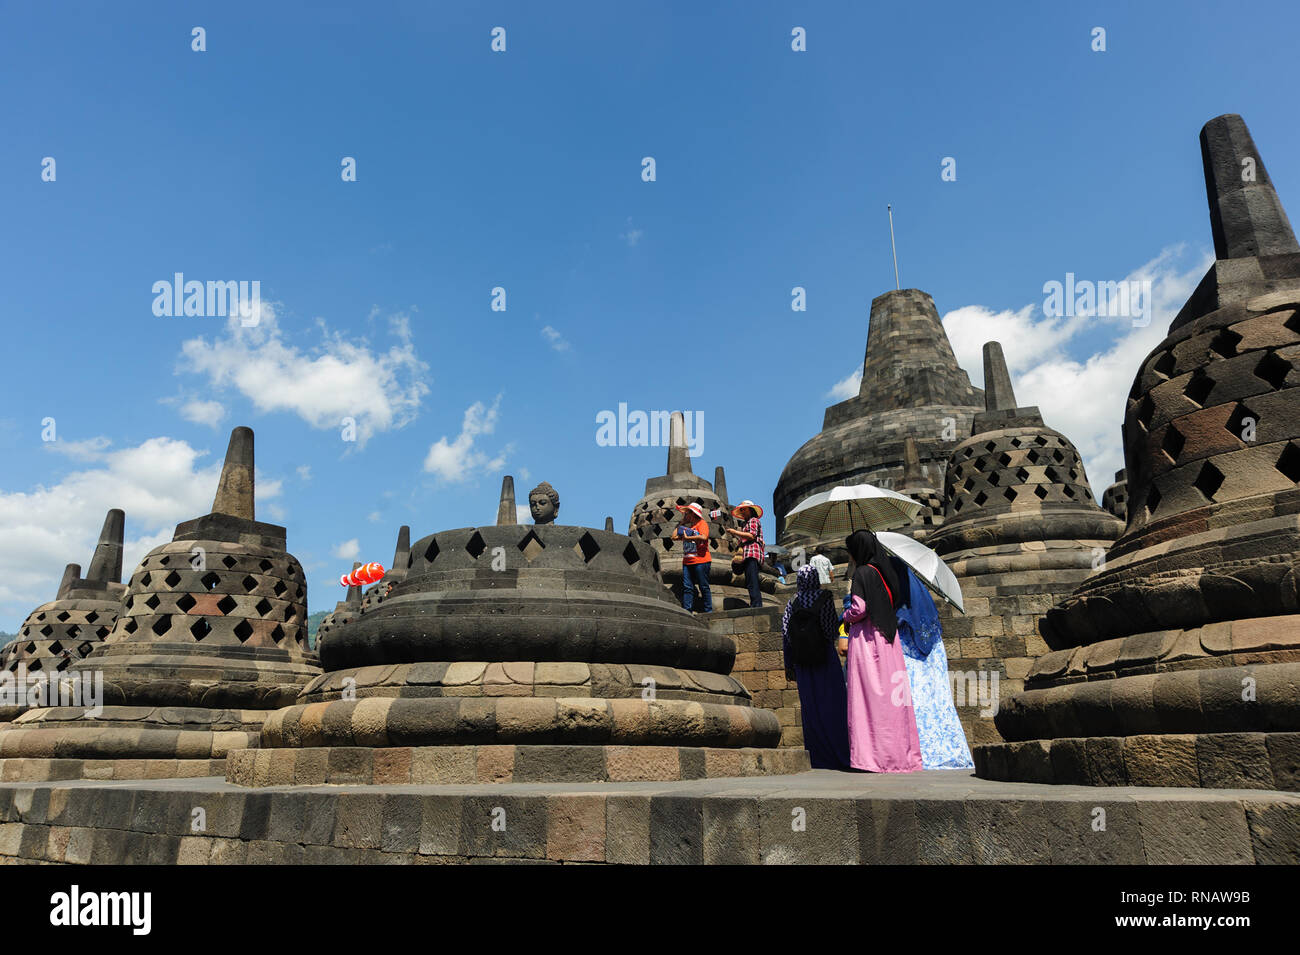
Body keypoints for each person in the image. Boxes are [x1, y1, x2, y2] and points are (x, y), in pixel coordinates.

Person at [841, 529, 922, 773]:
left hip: (867, 641)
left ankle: (873, 757)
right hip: (889, 641)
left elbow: (859, 608)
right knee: (892, 699)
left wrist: (845, 617)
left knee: (870, 698)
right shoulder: (884, 572)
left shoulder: (862, 573)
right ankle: (899, 755)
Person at [889, 555, 974, 770]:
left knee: (915, 705)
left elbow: (901, 621)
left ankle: (925, 753)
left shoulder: (902, 604)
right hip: (931, 658)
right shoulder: (920, 596)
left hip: (913, 659)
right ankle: (944, 751)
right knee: (937, 704)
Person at [781, 565, 851, 770]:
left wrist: (789, 665)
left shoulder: (792, 602)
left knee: (811, 710)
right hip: (825, 658)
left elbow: (786, 636)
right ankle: (840, 754)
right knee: (834, 706)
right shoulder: (825, 597)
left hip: (802, 662)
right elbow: (830, 631)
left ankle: (817, 757)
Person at [725, 500, 765, 608]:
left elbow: (751, 536)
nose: (742, 511)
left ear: (750, 510)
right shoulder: (745, 523)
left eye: (744, 509)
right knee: (750, 580)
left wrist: (735, 532)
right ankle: (755, 603)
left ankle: (756, 605)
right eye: (741, 510)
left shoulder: (753, 520)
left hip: (752, 553)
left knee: (752, 580)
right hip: (748, 553)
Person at [674, 502, 712, 612]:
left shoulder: (702, 523)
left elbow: (704, 537)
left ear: (693, 513)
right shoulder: (688, 528)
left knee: (703, 586)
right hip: (687, 562)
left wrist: (689, 538)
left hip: (701, 560)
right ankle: (687, 610)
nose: (685, 515)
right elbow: (673, 536)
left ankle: (708, 611)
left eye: (687, 513)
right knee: (687, 588)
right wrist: (681, 523)